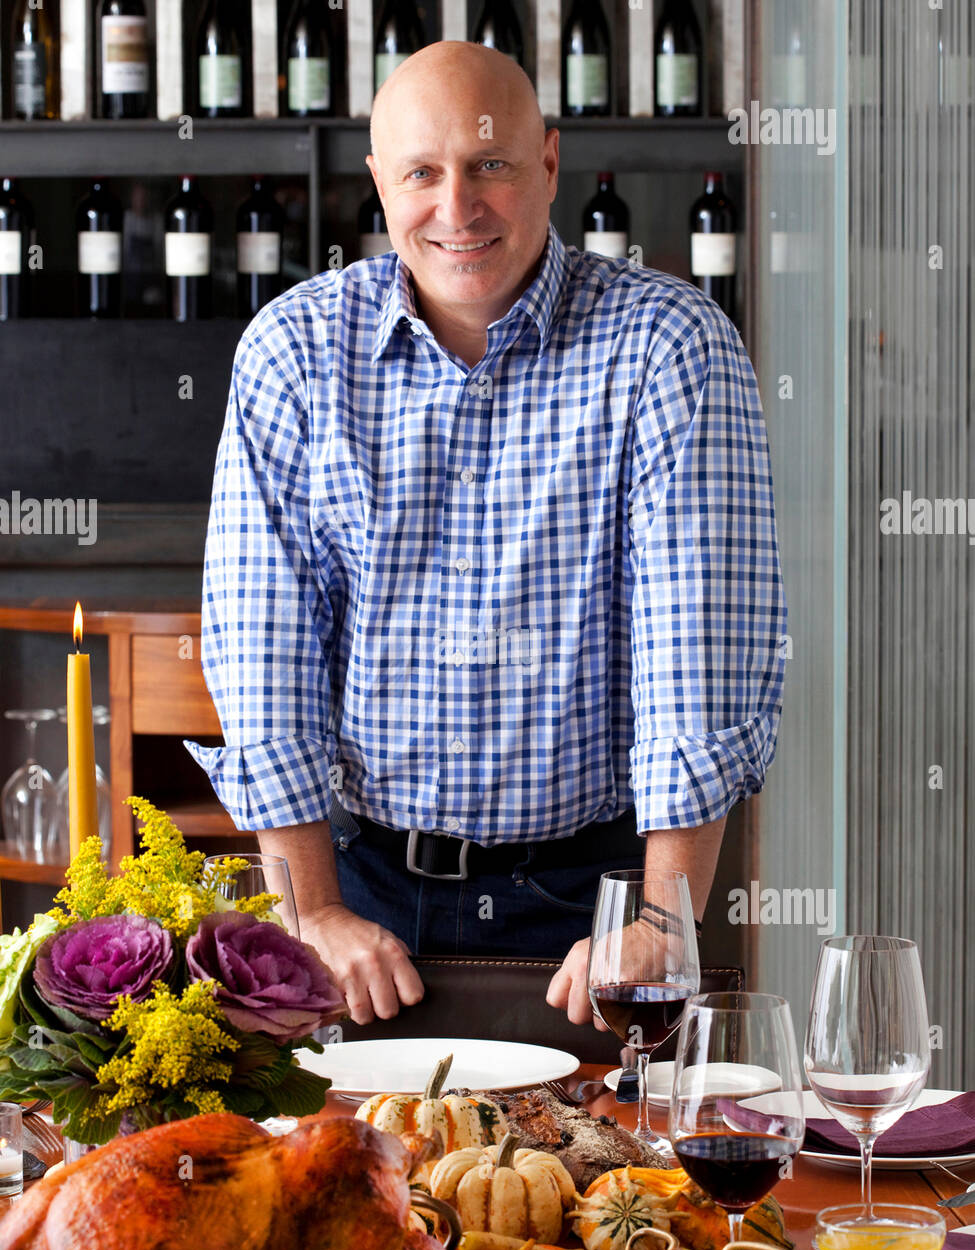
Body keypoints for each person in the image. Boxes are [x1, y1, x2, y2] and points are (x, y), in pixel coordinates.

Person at [187, 42, 787, 1030]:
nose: (456, 208)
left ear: (550, 167)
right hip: (360, 900)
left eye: (490, 166)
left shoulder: (669, 346)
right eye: (421, 172)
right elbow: (264, 659)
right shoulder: (292, 353)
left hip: (596, 908)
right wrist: (312, 909)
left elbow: (698, 656)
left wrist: (662, 919)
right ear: (379, 184)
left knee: (616, 1186)